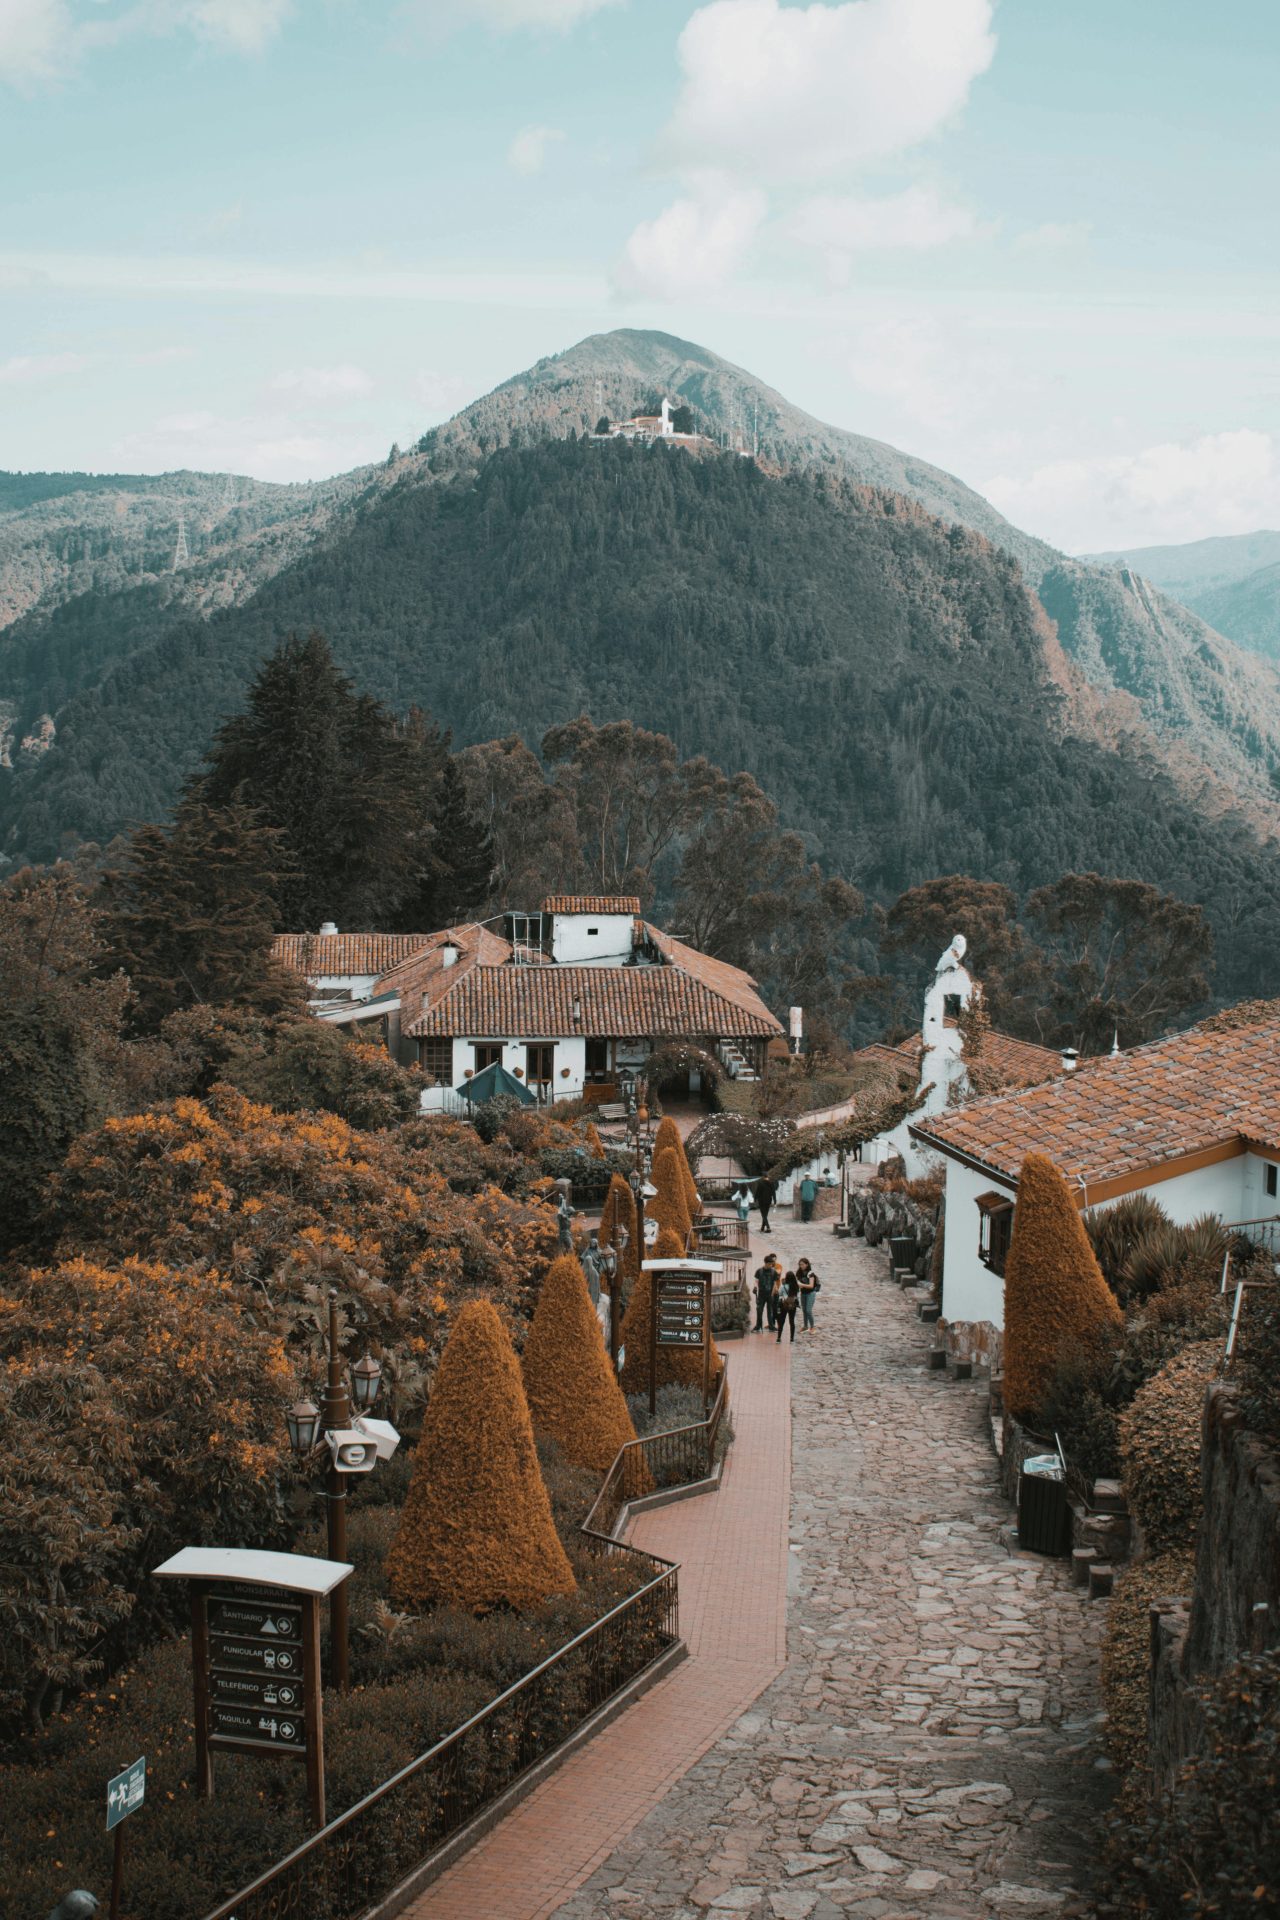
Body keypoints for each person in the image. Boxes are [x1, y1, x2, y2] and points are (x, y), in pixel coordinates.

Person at [753, 1252, 780, 1332]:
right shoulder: (759, 1271)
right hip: (761, 1294)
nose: (771, 1265)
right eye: (770, 1264)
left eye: (772, 1264)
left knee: (770, 1311)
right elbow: (756, 1281)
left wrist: (773, 1293)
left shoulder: (774, 1272)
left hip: (770, 1295)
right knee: (759, 1310)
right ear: (766, 1263)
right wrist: (755, 1287)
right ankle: (758, 1326)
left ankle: (771, 1326)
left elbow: (774, 1283)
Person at [774, 1268, 800, 1343]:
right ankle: (791, 1339)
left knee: (781, 1321)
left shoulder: (783, 1286)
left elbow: (779, 1294)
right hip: (792, 1305)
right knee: (792, 1322)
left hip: (784, 1305)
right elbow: (797, 1295)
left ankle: (779, 1338)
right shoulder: (796, 1286)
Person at [796, 1257, 819, 1332]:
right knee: (804, 1310)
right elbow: (797, 1282)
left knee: (808, 1310)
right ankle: (805, 1326)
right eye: (800, 1264)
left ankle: (812, 1327)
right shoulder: (799, 1273)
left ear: (807, 1264)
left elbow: (811, 1286)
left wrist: (801, 1284)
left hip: (811, 1293)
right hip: (803, 1293)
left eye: (802, 1264)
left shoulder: (810, 1273)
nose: (801, 1266)